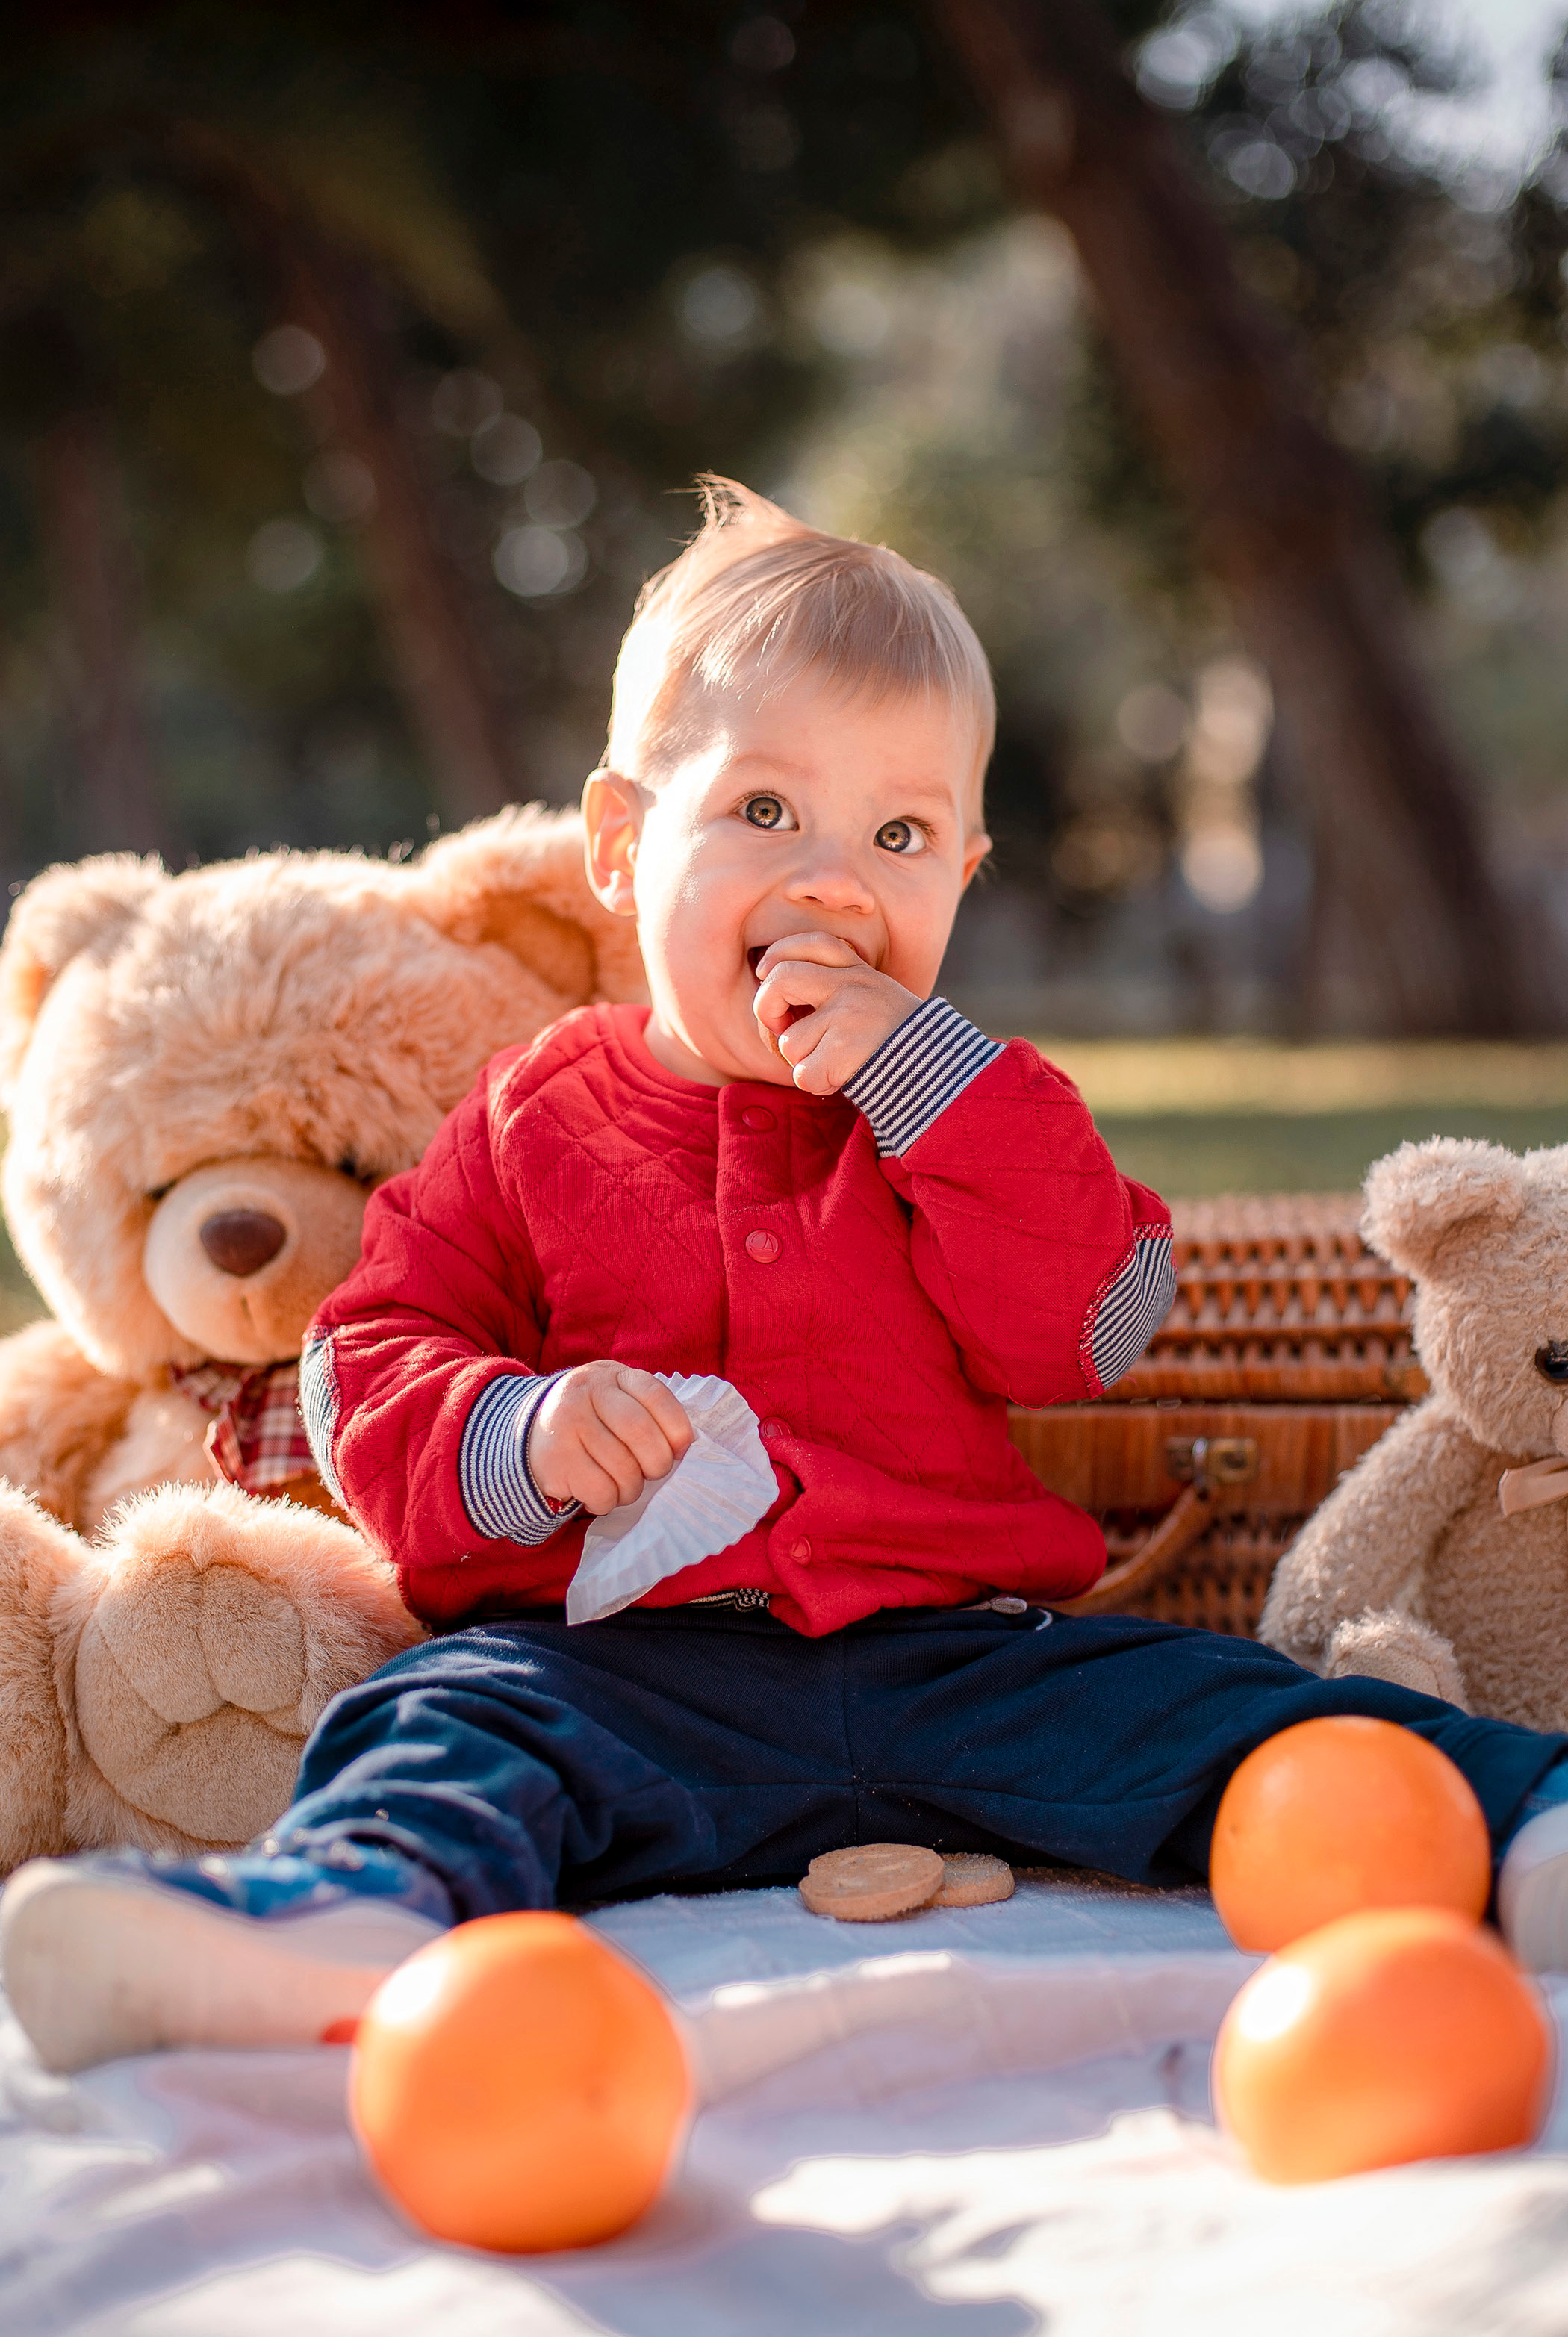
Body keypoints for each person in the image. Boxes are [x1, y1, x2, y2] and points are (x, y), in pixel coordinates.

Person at [7, 479, 1568, 2075]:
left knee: (1228, 1704)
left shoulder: (974, 1101)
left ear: (962, 870)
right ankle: (336, 1920)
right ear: (621, 846)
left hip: (960, 1653)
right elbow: (365, 1361)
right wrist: (522, 1430)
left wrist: (939, 1090)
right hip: (628, 1678)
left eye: (896, 836)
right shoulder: (530, 1115)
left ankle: (1527, 1829)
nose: (833, 882)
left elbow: (1089, 1324)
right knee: (441, 1729)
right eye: (766, 813)